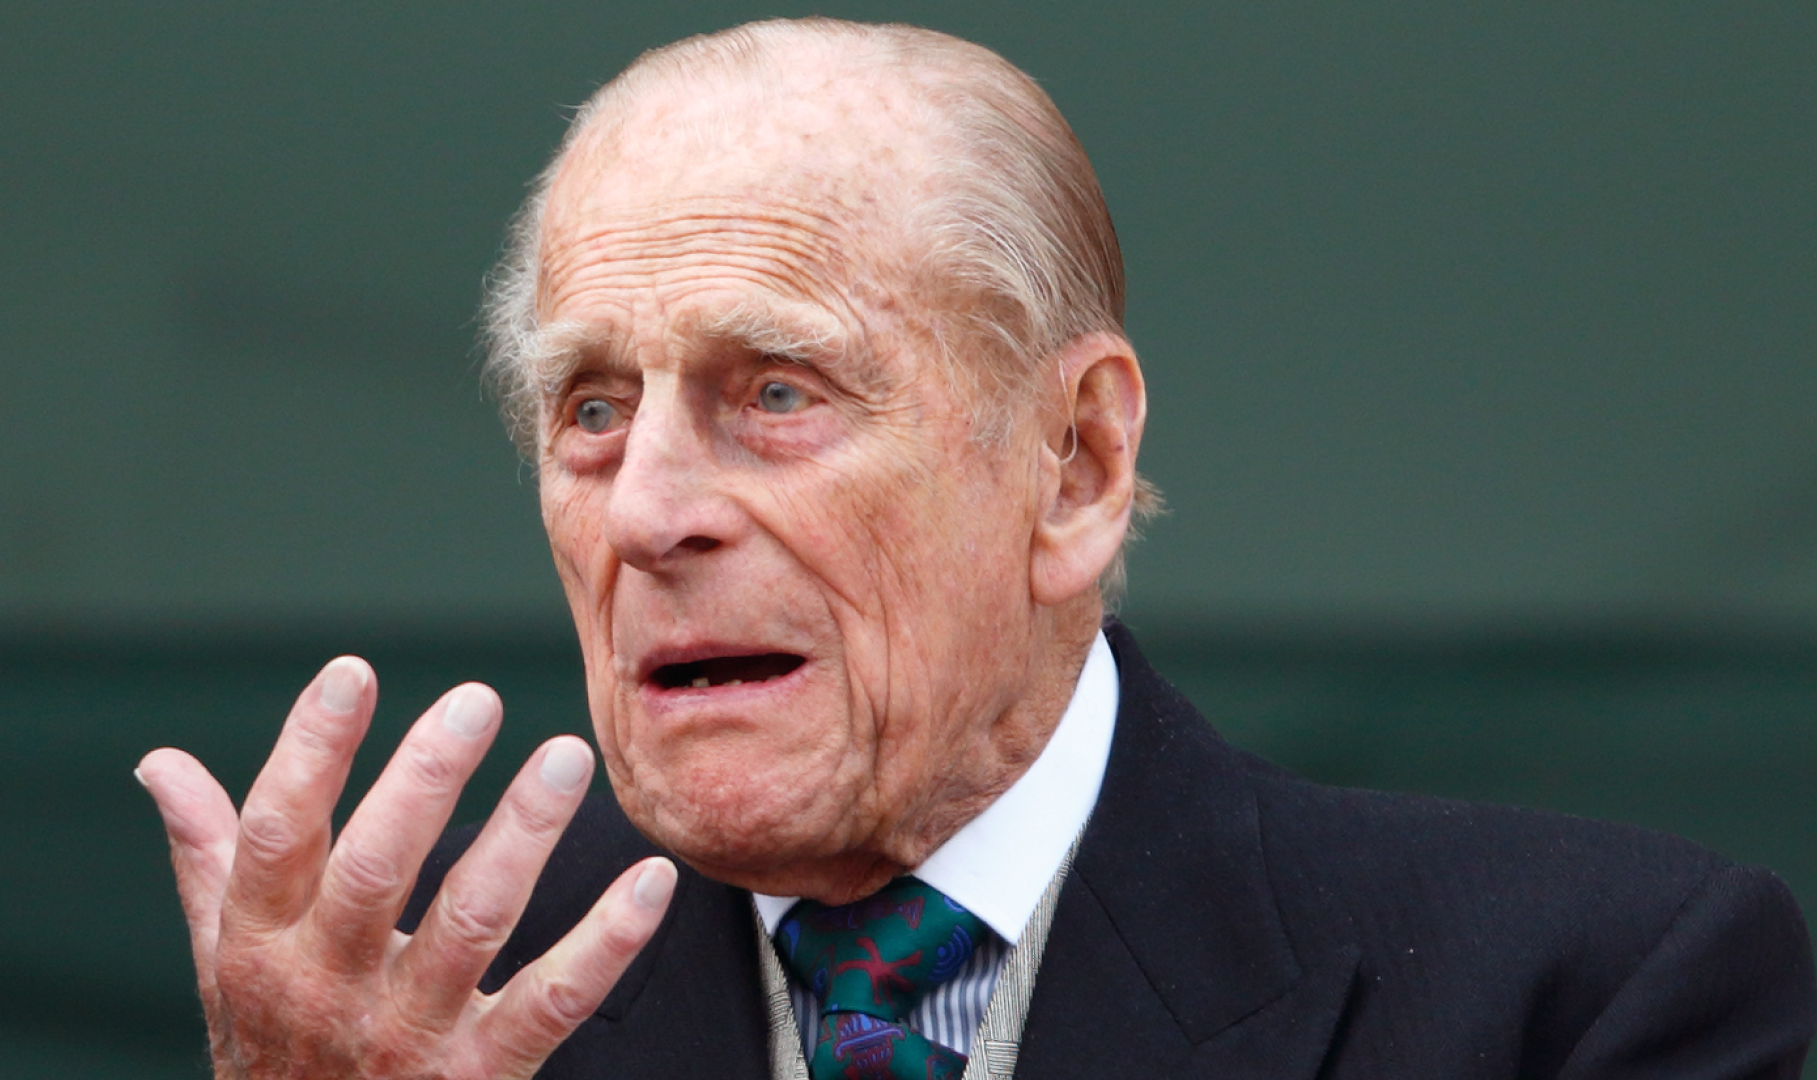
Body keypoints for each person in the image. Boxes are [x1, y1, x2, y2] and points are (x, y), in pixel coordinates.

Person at [137, 17, 1816, 1080]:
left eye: (775, 390)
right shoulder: (402, 1018)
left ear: (1076, 464)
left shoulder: (1578, 995)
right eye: (589, 410)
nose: (647, 512)